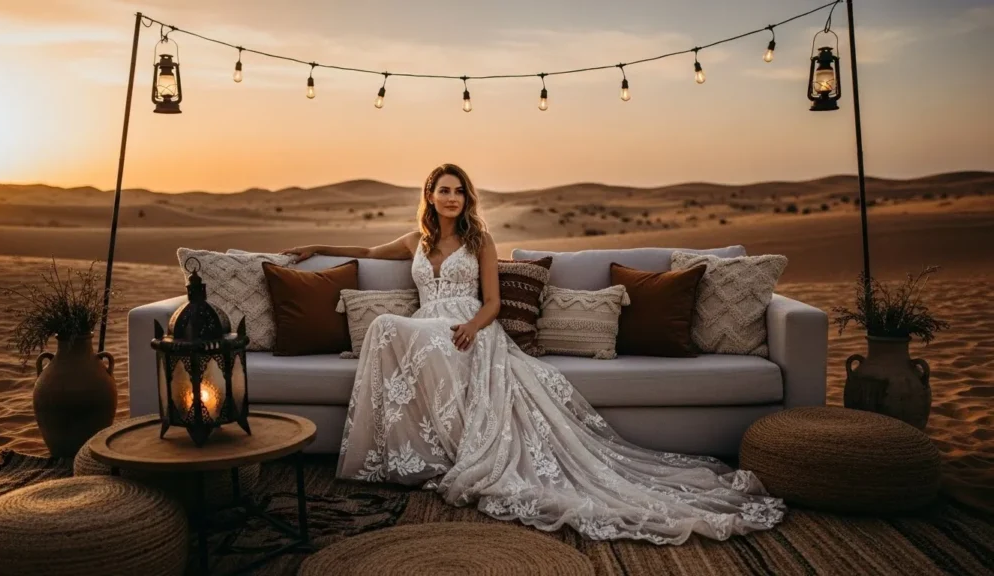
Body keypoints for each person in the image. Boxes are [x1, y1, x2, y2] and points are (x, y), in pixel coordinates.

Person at [281, 163, 784, 545]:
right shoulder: (417, 239)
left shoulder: (480, 239)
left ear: (466, 198)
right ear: (430, 197)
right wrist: (314, 247)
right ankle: (414, 455)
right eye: (443, 190)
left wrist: (473, 328)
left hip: (469, 328)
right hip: (426, 326)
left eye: (458, 190)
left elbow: (495, 303)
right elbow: (366, 254)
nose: (451, 197)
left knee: (391, 329)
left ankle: (448, 449)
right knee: (389, 329)